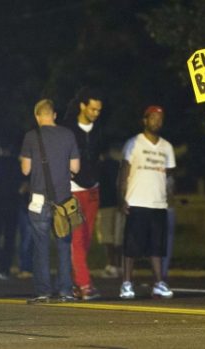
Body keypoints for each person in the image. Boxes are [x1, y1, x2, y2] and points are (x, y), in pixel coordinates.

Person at [20, 99, 80, 304]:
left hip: (38, 199)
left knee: (41, 245)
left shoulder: (30, 137)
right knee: (64, 244)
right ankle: (65, 290)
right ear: (54, 115)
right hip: (63, 199)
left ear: (37, 116)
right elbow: (76, 168)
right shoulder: (68, 135)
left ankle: (43, 291)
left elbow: (25, 170)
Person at [118, 105, 176, 299]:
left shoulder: (167, 147)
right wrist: (122, 197)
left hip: (158, 204)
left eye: (160, 119)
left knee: (156, 248)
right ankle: (126, 283)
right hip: (136, 201)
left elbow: (169, 177)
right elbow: (124, 171)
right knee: (131, 247)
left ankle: (159, 282)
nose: (157, 122)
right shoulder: (134, 143)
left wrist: (170, 198)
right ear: (145, 120)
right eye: (153, 118)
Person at [62, 87, 104, 300]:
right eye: (93, 109)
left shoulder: (98, 130)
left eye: (99, 110)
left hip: (93, 188)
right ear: (83, 106)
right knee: (77, 238)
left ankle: (74, 282)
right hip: (74, 190)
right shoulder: (68, 130)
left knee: (86, 238)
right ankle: (85, 284)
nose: (96, 113)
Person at [0, 142, 23, 280]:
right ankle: (5, 268)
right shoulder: (16, 164)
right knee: (9, 237)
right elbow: (24, 184)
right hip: (12, 203)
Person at [96, 143, 124, 278]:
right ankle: (119, 266)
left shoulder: (100, 166)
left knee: (107, 237)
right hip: (119, 204)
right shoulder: (117, 165)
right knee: (118, 237)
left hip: (105, 204)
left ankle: (111, 265)